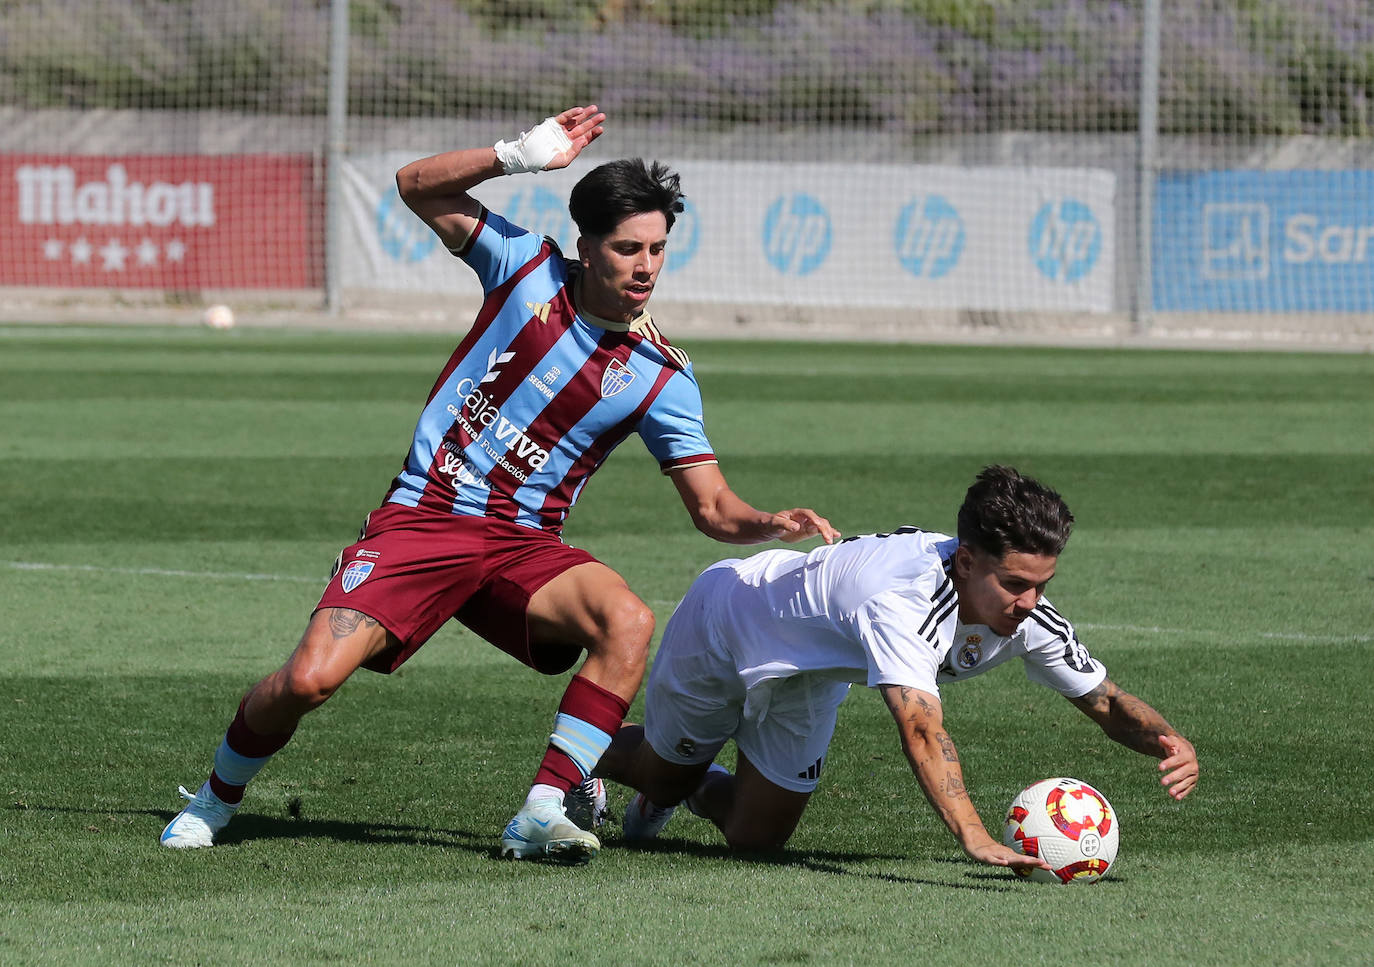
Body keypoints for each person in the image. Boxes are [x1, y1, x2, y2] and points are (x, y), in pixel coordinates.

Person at [159, 105, 836, 863]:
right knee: (308, 681)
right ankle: (217, 796)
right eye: (627, 249)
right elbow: (414, 186)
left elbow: (712, 506)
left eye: (657, 249)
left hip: (520, 547)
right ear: (585, 246)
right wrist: (516, 155)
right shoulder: (524, 268)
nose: (645, 266)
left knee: (628, 620)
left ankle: (543, 808)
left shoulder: (662, 376)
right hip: (424, 518)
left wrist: (770, 521)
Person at [594, 465, 1198, 873]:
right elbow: (920, 728)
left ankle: (692, 780)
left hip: (815, 670)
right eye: (1015, 585)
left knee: (756, 840)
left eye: (1043, 585)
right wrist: (975, 836)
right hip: (728, 625)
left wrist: (1167, 741)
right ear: (965, 561)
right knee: (660, 773)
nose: (1031, 603)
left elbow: (1106, 701)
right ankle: (581, 761)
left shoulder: (1027, 614)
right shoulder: (899, 600)